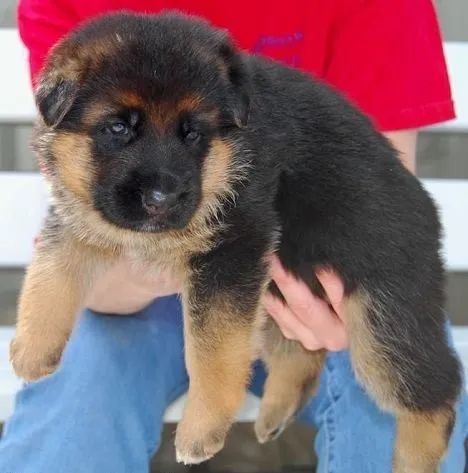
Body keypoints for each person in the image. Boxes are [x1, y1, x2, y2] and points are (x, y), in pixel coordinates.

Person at [1, 0, 466, 472]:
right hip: (134, 294)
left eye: (191, 135)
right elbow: (73, 230)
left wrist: (330, 311)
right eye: (118, 129)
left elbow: (384, 210)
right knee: (73, 413)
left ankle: (421, 417)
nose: (160, 190)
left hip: (318, 264)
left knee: (387, 377)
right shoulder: (82, 36)